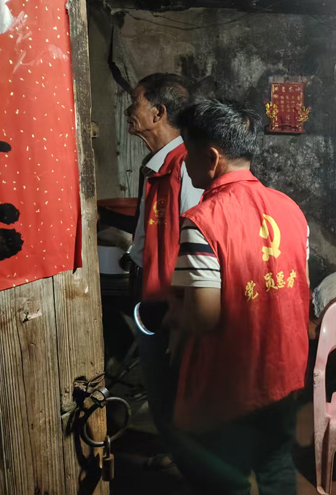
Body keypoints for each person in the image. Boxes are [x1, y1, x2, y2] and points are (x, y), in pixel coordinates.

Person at [167, 100, 310, 495]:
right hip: (284, 371)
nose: (184, 163)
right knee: (275, 464)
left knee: (223, 477)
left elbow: (204, 317)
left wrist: (174, 314)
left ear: (212, 158)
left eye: (187, 150)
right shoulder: (291, 209)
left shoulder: (203, 221)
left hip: (228, 382)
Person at [124, 72, 203, 470]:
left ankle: (190, 466)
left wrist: (183, 311)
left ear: (159, 112)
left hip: (173, 300)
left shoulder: (185, 166)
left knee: (174, 386)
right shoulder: (157, 166)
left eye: (135, 102)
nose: (129, 110)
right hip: (152, 291)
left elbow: (197, 242)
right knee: (160, 385)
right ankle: (180, 455)